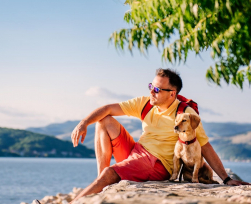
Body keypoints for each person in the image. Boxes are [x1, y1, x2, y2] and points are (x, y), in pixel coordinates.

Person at [69, 68, 249, 203]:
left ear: (172, 93)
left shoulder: (184, 113)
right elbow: (108, 108)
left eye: (157, 89)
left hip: (157, 163)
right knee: (104, 121)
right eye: (151, 86)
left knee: (111, 172)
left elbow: (204, 145)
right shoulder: (146, 103)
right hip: (137, 152)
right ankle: (102, 182)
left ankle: (89, 192)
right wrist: (83, 123)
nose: (151, 92)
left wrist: (225, 179)